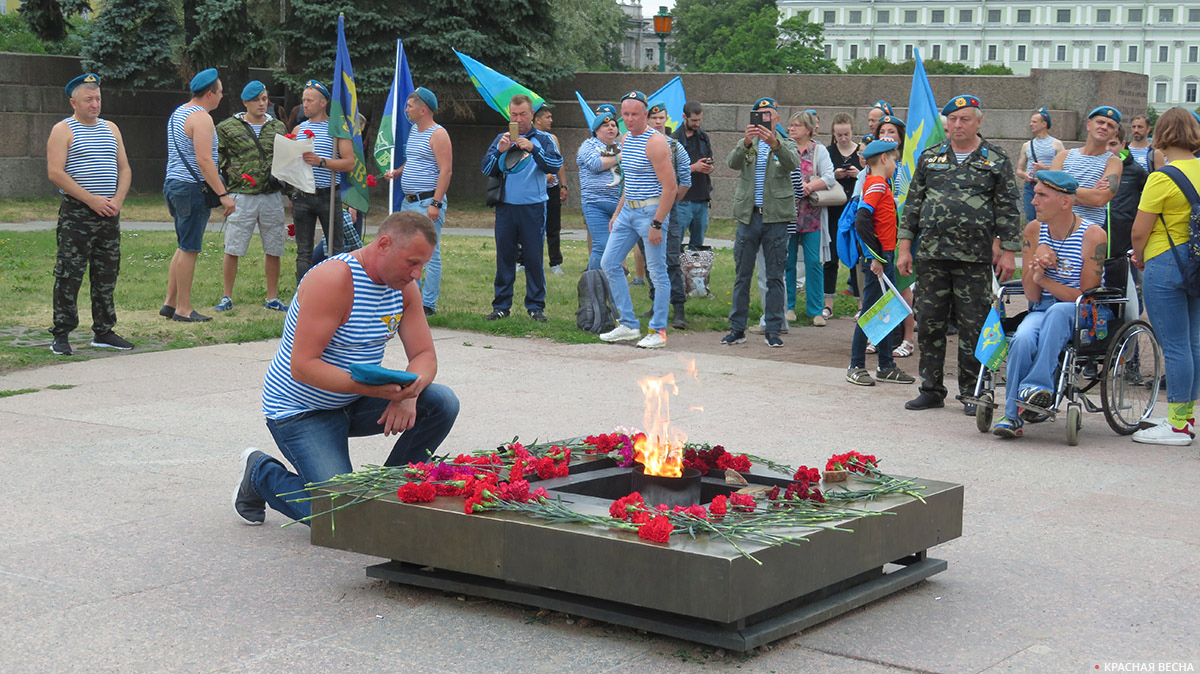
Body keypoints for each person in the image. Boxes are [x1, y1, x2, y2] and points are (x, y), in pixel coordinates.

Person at [235, 211, 460, 525]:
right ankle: (262, 474)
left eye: (422, 264)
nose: (417, 274)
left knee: (441, 402)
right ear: (384, 244)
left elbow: (424, 354)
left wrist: (408, 395)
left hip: (353, 399)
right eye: (412, 262)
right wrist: (372, 389)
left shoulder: (403, 288)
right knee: (341, 520)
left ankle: (385, 495)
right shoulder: (333, 280)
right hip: (302, 411)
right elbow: (303, 366)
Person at [898, 94, 1022, 414]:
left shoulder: (995, 159)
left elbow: (1008, 208)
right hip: (932, 255)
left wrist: (1008, 251)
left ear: (978, 121)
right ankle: (931, 388)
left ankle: (972, 390)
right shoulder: (930, 158)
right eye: (952, 120)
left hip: (975, 257)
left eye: (965, 119)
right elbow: (913, 205)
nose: (957, 125)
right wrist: (905, 246)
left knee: (973, 326)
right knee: (929, 323)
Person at [992, 171, 1109, 438]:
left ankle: (1037, 386)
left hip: (1080, 312)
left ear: (1065, 202)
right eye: (1035, 194)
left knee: (1057, 311)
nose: (1034, 202)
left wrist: (1044, 279)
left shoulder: (1093, 235)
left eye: (1042, 195)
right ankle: (1012, 416)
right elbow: (1032, 296)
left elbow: (1084, 296)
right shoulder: (1033, 230)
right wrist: (1036, 270)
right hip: (1042, 308)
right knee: (1021, 337)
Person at [45, 73, 133, 356]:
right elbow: (56, 173)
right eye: (88, 99)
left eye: (98, 98)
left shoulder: (111, 128)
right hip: (78, 214)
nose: (95, 104)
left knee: (106, 272)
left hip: (109, 212)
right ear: (73, 102)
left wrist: (116, 200)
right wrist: (92, 200)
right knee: (70, 273)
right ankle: (62, 332)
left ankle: (104, 331)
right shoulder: (63, 129)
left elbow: (125, 168)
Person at [1130, 107, 1200, 446]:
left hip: (1166, 260)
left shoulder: (1162, 177)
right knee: (1193, 342)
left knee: (1173, 344)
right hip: (1198, 262)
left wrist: (1139, 257)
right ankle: (1184, 416)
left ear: (1162, 135)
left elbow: (1140, 231)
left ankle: (1176, 426)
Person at [597, 90, 677, 349]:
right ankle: (628, 324)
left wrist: (657, 223)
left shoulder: (655, 142)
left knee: (657, 272)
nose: (629, 119)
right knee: (609, 262)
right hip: (629, 210)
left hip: (650, 212)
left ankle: (658, 330)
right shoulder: (628, 139)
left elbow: (670, 187)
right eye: (626, 114)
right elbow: (629, 181)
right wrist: (618, 211)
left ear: (645, 114)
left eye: (635, 114)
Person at [720, 97, 800, 348]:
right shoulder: (748, 144)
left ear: (777, 119)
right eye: (759, 115)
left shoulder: (785, 143)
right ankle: (737, 328)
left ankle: (773, 328)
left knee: (775, 275)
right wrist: (745, 142)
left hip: (775, 217)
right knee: (742, 275)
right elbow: (731, 163)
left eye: (769, 115)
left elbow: (793, 163)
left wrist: (773, 143)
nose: (764, 118)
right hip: (749, 215)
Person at [481, 94, 563, 323]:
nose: (518, 119)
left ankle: (536, 307)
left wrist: (534, 150)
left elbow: (555, 165)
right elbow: (486, 168)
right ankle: (501, 306)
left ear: (531, 115)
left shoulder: (544, 139)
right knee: (505, 258)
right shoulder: (502, 138)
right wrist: (500, 150)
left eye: (523, 114)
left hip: (533, 207)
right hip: (506, 208)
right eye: (514, 115)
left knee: (534, 258)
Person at [162, 68, 234, 323]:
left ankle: (170, 303)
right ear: (210, 93)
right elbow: (205, 160)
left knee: (183, 246)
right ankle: (183, 308)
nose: (222, 97)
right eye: (220, 92)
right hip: (191, 188)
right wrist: (223, 194)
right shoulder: (202, 118)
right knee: (190, 248)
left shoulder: (179, 113)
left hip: (174, 184)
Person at [213, 80, 289, 314]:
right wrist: (230, 172)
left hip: (271, 194)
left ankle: (272, 296)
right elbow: (217, 154)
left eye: (264, 99)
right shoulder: (227, 127)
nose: (261, 104)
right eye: (256, 100)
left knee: (274, 247)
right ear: (245, 102)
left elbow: (286, 156)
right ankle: (226, 296)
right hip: (242, 194)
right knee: (233, 246)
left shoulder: (277, 127)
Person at [846, 139, 915, 386]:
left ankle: (886, 366)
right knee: (870, 313)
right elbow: (862, 220)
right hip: (879, 259)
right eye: (895, 161)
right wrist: (875, 257)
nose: (897, 166)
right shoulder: (876, 184)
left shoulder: (880, 184)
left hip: (885, 256)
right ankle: (855, 365)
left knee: (886, 312)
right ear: (884, 159)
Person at [383, 87, 451, 316]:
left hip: (426, 202)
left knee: (430, 255)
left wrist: (436, 203)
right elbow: (413, 160)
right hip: (409, 202)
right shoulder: (414, 130)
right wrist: (397, 172)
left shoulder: (438, 134)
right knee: (407, 252)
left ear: (423, 109)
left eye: (410, 106)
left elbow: (446, 171)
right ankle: (410, 300)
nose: (406, 109)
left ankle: (428, 304)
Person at [292, 79, 355, 282]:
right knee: (304, 251)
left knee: (335, 248)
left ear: (323, 102)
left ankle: (334, 289)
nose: (305, 105)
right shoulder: (298, 130)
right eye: (303, 100)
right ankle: (302, 294)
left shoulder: (336, 130)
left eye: (310, 100)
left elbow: (349, 163)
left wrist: (322, 162)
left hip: (328, 195)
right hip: (302, 195)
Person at [785, 110, 835, 327]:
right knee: (787, 262)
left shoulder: (819, 150)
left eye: (796, 125)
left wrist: (808, 187)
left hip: (811, 216)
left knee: (814, 262)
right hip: (787, 214)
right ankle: (788, 307)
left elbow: (829, 177)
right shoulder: (785, 148)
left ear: (807, 129)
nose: (791, 128)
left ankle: (815, 310)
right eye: (791, 125)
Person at [645, 100, 692, 329]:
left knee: (671, 259)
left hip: (668, 210)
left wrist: (671, 202)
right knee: (650, 260)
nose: (657, 122)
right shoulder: (638, 144)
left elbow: (685, 179)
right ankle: (655, 305)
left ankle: (678, 309)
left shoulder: (675, 147)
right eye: (653, 118)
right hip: (644, 207)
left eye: (661, 118)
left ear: (666, 120)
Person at [1051, 106, 1123, 230]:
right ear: (1089, 125)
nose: (1104, 127)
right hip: (1056, 228)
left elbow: (1099, 199)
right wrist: (1090, 192)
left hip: (1089, 232)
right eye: (1100, 122)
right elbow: (1050, 192)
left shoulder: (1113, 163)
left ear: (1114, 134)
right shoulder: (1063, 156)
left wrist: (1063, 191)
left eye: (1110, 126)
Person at [825, 112, 861, 317]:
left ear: (852, 131)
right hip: (834, 209)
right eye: (839, 135)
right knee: (830, 257)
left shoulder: (861, 152)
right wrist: (834, 175)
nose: (843, 139)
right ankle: (828, 303)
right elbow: (821, 175)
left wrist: (858, 174)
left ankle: (860, 304)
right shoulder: (828, 152)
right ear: (833, 133)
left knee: (855, 258)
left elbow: (871, 174)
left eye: (846, 134)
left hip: (855, 211)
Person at [577, 109, 622, 270]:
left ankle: (612, 281)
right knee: (602, 245)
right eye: (605, 126)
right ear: (596, 130)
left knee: (616, 248)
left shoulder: (621, 146)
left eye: (613, 125)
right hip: (596, 204)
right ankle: (593, 283)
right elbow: (596, 165)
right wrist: (619, 157)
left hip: (620, 205)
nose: (611, 128)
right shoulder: (588, 145)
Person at [671, 101, 714, 250]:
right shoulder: (674, 140)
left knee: (698, 247)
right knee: (675, 243)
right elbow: (669, 170)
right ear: (684, 117)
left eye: (699, 120)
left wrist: (708, 167)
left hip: (701, 196)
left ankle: (695, 272)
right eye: (694, 120)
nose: (697, 124)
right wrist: (693, 168)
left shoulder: (703, 137)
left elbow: (709, 158)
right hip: (683, 199)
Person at [533, 103, 567, 275]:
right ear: (537, 119)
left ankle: (555, 262)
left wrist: (564, 185)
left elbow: (559, 163)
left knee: (553, 226)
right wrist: (542, 175)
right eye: (548, 117)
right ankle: (524, 260)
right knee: (530, 226)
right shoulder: (528, 138)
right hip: (533, 189)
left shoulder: (552, 139)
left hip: (551, 189)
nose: (551, 120)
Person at [1015, 108, 1065, 221]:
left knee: (1049, 218)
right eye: (1031, 121)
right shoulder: (1027, 145)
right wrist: (1025, 175)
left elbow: (1064, 168)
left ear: (1044, 124)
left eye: (1034, 122)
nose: (1030, 124)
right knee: (1031, 219)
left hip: (1049, 185)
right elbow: (1019, 170)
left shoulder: (1056, 144)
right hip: (1030, 186)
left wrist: (1045, 169)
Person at [1106, 124, 1148, 258]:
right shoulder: (1091, 168)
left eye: (1112, 144)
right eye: (1103, 144)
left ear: (1122, 144)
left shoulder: (1135, 171)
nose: (1107, 149)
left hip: (1123, 244)